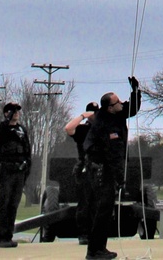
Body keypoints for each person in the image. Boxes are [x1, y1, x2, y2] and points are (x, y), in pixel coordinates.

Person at [80, 78, 142, 260]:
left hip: (106, 169)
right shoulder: (105, 124)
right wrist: (120, 179)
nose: (121, 104)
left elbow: (132, 108)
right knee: (102, 210)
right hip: (101, 170)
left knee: (106, 211)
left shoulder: (117, 114)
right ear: (109, 107)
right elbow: (113, 154)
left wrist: (136, 91)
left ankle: (100, 248)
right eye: (117, 102)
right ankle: (94, 251)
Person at [0, 102, 32, 248]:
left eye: (17, 111)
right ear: (6, 113)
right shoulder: (3, 129)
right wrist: (7, 121)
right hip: (6, 170)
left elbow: (27, 150)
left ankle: (8, 235)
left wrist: (27, 167)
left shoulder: (22, 129)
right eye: (13, 111)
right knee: (4, 202)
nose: (16, 113)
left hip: (19, 170)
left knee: (14, 204)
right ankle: (1, 237)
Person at [64, 102, 99, 246]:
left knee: (98, 204)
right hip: (86, 168)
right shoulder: (83, 130)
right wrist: (83, 116)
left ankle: (96, 233)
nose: (94, 116)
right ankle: (83, 234)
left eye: (95, 113)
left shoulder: (102, 128)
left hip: (101, 169)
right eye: (92, 113)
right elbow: (69, 128)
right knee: (85, 203)